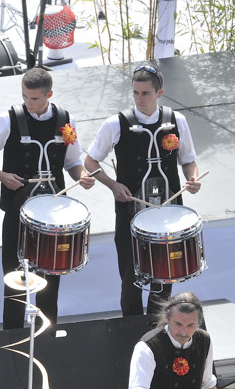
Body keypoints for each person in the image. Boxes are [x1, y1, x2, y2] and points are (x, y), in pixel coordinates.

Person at [0, 67, 95, 329]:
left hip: (53, 216)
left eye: (35, 98)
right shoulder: (7, 119)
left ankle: (47, 337)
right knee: (14, 282)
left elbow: (73, 162)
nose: (28, 103)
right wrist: (2, 176)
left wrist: (82, 176)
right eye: (25, 97)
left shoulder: (66, 119)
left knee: (50, 283)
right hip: (17, 211)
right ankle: (12, 340)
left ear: (49, 94)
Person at [84, 64, 201, 316]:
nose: (139, 99)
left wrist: (192, 179)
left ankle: (159, 330)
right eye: (135, 93)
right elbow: (90, 161)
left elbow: (188, 160)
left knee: (165, 278)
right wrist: (113, 185)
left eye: (145, 93)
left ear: (159, 93)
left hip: (168, 214)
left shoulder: (177, 120)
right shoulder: (115, 123)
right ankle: (131, 332)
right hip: (130, 212)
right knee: (131, 280)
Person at [127, 292, 235, 389]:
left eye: (191, 325)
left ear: (198, 322)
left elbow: (207, 383)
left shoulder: (204, 340)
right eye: (178, 324)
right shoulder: (147, 346)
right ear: (167, 317)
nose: (183, 332)